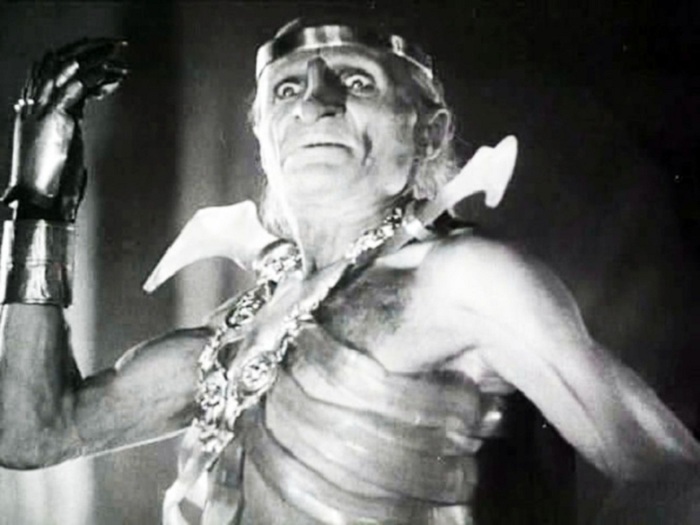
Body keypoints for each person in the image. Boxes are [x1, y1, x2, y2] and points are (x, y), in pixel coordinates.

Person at [0, 20, 698, 525]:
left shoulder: (460, 280)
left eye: (356, 81)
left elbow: (674, 472)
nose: (315, 102)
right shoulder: (236, 337)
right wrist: (37, 199)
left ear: (427, 130)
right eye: (287, 89)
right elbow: (34, 433)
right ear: (265, 142)